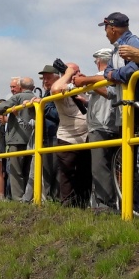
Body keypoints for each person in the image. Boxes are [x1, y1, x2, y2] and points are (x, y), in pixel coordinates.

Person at [73, 48, 119, 211]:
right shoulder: (115, 76)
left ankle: (105, 204)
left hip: (100, 126)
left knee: (100, 167)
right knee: (115, 166)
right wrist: (87, 102)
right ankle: (120, 201)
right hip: (115, 124)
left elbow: (104, 92)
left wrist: (84, 81)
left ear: (99, 61)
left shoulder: (98, 78)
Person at [51, 62, 91, 207]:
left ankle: (83, 206)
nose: (77, 73)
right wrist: (68, 74)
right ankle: (67, 207)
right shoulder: (61, 87)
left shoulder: (83, 86)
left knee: (85, 174)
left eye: (78, 71)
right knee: (68, 175)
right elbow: (55, 89)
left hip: (87, 137)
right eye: (74, 71)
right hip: (68, 138)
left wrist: (85, 80)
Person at [23, 66, 62, 202]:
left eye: (49, 78)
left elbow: (59, 115)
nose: (45, 81)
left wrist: (43, 106)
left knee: (51, 171)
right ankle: (39, 200)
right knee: (42, 171)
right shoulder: (47, 94)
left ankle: (49, 201)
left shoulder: (59, 92)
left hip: (54, 135)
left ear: (58, 78)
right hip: (44, 137)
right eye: (44, 78)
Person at [0, 77, 36, 201]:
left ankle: (18, 198)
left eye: (13, 87)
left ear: (21, 87)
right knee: (28, 170)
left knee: (15, 171)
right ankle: (28, 197)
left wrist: (0, 111)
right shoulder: (36, 97)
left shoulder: (17, 98)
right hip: (32, 139)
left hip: (16, 139)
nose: (12, 89)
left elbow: (1, 107)